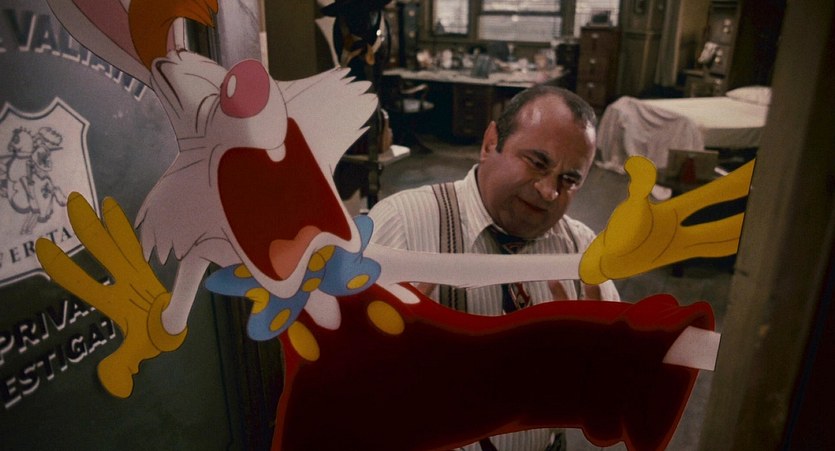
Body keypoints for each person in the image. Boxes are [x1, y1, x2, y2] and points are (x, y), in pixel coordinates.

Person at [367, 85, 620, 450]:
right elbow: (340, 380)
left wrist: (601, 360)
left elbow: (612, 392)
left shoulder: (583, 252)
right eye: (538, 163)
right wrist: (386, 361)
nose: (549, 191)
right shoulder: (400, 227)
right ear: (490, 144)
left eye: (569, 180)